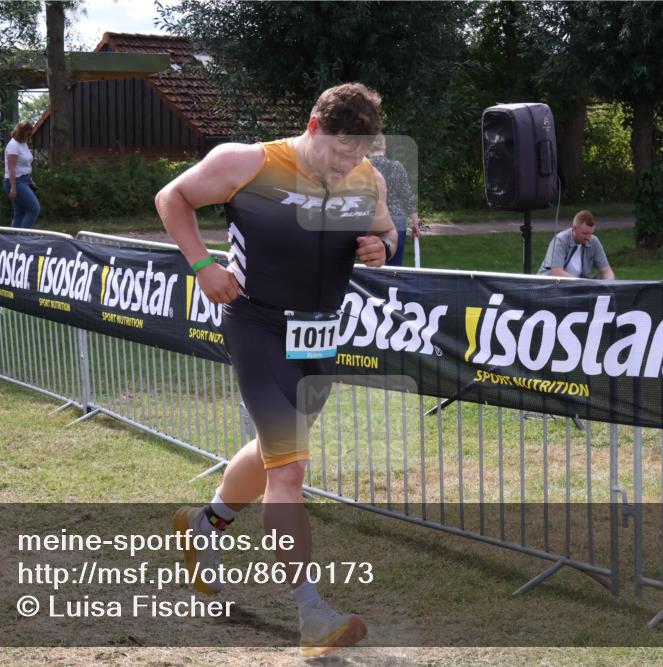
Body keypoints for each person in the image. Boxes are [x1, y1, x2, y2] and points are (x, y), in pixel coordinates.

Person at [154, 83, 397, 657]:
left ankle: (204, 522)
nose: (347, 165)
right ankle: (313, 616)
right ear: (314, 126)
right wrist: (202, 264)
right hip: (257, 325)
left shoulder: (369, 178)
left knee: (275, 452)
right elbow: (172, 198)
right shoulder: (248, 161)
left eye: (358, 154)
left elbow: (388, 231)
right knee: (289, 470)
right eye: (340, 152)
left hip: (319, 335)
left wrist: (384, 246)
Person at [367, 133, 420, 265]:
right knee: (395, 269)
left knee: (371, 268)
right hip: (397, 221)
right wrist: (415, 223)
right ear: (384, 146)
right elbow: (407, 196)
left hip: (371, 221)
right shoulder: (397, 166)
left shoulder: (363, 168)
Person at [537, 210, 615, 280]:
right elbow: (557, 272)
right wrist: (581, 284)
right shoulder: (560, 240)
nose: (588, 237)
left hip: (578, 287)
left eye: (591, 233)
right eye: (585, 233)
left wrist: (608, 286)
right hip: (551, 286)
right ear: (574, 228)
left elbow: (607, 271)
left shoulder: (594, 241)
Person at [3, 121, 40, 229]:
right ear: (21, 132)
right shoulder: (13, 145)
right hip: (15, 181)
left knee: (19, 213)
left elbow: (25, 164)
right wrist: (13, 188)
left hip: (24, 180)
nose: (29, 136)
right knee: (34, 209)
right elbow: (11, 168)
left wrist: (30, 179)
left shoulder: (23, 144)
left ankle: (13, 241)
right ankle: (23, 238)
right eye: (28, 133)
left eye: (30, 133)